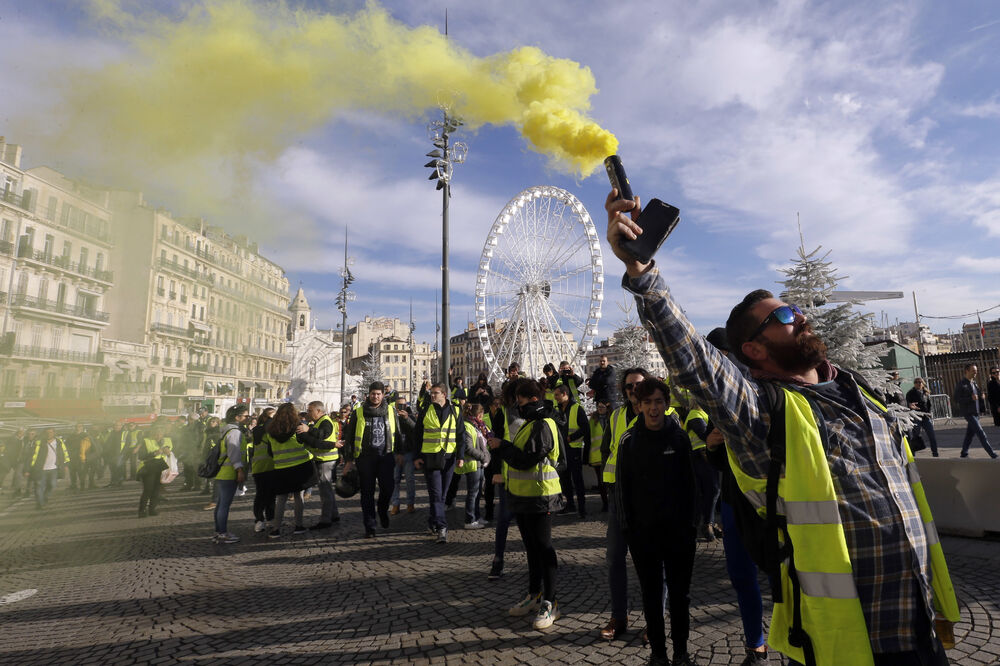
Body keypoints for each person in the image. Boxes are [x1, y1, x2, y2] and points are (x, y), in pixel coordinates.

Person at [606, 188, 960, 665]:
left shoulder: (861, 395)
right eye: (785, 315)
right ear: (753, 349)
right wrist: (641, 270)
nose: (802, 316)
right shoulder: (763, 411)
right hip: (845, 642)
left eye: (794, 309)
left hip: (919, 622)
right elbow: (695, 361)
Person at [616, 379, 699, 666]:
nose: (653, 408)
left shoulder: (679, 438)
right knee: (651, 596)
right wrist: (630, 531)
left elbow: (691, 485)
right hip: (644, 535)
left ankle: (681, 652)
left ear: (666, 404)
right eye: (647, 402)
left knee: (680, 596)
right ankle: (658, 654)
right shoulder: (628, 441)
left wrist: (692, 526)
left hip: (679, 534)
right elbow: (622, 491)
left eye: (658, 402)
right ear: (638, 406)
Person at [702, 327, 770, 665]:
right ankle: (755, 644)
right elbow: (718, 459)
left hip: (768, 500)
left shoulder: (762, 389)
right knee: (742, 576)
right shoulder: (717, 398)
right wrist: (712, 446)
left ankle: (778, 642)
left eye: (722, 356)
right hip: (734, 497)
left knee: (775, 575)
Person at [488, 378, 564, 630]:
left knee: (543, 548)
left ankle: (551, 602)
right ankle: (534, 594)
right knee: (531, 547)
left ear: (532, 399)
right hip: (522, 494)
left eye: (520, 400)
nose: (517, 405)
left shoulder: (543, 424)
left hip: (541, 495)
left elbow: (526, 460)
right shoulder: (530, 422)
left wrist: (502, 446)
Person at [599, 367, 651, 641]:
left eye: (639, 385)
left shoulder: (661, 414)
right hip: (619, 497)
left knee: (651, 563)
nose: (634, 390)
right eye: (629, 386)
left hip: (649, 500)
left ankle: (654, 621)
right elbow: (608, 449)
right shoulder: (617, 416)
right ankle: (619, 616)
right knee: (614, 560)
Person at [342, 381, 403, 538]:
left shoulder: (390, 410)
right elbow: (349, 437)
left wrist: (400, 452)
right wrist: (349, 460)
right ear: (368, 394)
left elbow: (397, 432)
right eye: (373, 394)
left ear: (383, 395)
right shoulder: (359, 412)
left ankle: (382, 510)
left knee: (388, 488)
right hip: (365, 458)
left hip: (386, 456)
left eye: (378, 394)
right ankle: (370, 526)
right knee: (367, 493)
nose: (375, 396)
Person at [413, 382, 467, 544]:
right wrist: (417, 456)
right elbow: (417, 435)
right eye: (431, 393)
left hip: (449, 458)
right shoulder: (425, 411)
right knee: (436, 494)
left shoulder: (455, 410)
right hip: (430, 457)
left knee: (442, 495)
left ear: (444, 394)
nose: (432, 395)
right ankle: (442, 527)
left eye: (436, 393)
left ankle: (433, 521)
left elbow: (461, 436)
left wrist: (461, 456)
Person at [266, 403, 313, 538]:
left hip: (280, 468)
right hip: (299, 466)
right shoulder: (297, 428)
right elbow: (308, 442)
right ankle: (298, 525)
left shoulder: (271, 430)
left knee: (281, 499)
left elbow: (270, 451)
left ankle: (276, 528)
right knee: (299, 497)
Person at [296, 400, 342, 530]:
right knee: (327, 489)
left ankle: (325, 519)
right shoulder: (320, 421)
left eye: (310, 410)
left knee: (325, 491)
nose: (309, 413)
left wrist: (308, 429)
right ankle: (334, 514)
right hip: (323, 458)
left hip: (326, 459)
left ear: (318, 411)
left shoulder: (325, 422)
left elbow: (322, 435)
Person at [684, 403, 722, 542]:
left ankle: (707, 523)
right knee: (712, 490)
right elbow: (705, 435)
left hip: (706, 456)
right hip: (701, 456)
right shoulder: (695, 415)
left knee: (708, 492)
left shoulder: (704, 414)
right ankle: (707, 524)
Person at [212, 405, 249, 544]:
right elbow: (234, 453)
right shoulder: (234, 432)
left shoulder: (227, 430)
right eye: (245, 416)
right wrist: (239, 470)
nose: (247, 418)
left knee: (221, 503)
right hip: (229, 473)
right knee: (224, 505)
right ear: (237, 417)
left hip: (223, 472)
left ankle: (218, 531)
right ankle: (222, 533)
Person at [553, 383, 590, 518]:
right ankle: (570, 505)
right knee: (565, 479)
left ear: (565, 394)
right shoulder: (557, 410)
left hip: (573, 449)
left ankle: (582, 508)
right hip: (562, 450)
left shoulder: (576, 408)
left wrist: (571, 438)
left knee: (577, 479)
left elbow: (585, 428)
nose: (555, 397)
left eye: (557, 395)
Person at [455, 402, 490, 529]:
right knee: (473, 493)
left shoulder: (476, 425)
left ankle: (476, 516)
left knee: (477, 492)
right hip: (472, 463)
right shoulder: (467, 425)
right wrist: (483, 456)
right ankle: (469, 519)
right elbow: (468, 448)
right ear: (479, 414)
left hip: (478, 463)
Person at [953, 363, 998, 459]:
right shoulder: (961, 384)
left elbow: (977, 397)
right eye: (973, 371)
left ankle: (964, 453)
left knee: (969, 435)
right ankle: (992, 454)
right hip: (969, 413)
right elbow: (956, 399)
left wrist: (981, 396)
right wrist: (970, 398)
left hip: (976, 413)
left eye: (976, 371)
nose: (975, 373)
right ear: (967, 371)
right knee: (981, 433)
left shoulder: (974, 383)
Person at [26, 428, 70, 509]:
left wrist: (66, 464)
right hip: (41, 469)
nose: (49, 434)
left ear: (54, 433)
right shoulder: (39, 443)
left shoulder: (59, 442)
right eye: (47, 433)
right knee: (39, 486)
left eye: (51, 432)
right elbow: (32, 456)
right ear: (44, 434)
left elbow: (65, 453)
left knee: (52, 485)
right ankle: (40, 504)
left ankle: (44, 497)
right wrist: (28, 469)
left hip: (54, 468)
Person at [482, 396, 508, 523]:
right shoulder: (485, 417)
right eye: (495, 404)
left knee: (503, 483)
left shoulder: (504, 416)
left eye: (499, 404)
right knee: (489, 485)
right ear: (490, 405)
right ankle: (489, 511)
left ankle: (506, 511)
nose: (497, 406)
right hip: (488, 453)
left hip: (501, 452)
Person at [250, 408, 277, 533]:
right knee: (266, 496)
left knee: (264, 495)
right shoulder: (265, 430)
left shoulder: (257, 429)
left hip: (259, 467)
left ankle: (263, 520)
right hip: (269, 467)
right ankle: (264, 520)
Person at [136, 425, 171, 517]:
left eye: (160, 434)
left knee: (156, 490)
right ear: (152, 434)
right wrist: (154, 453)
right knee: (148, 490)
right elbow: (141, 456)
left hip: (160, 467)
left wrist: (168, 451)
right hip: (149, 467)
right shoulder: (146, 441)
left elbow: (171, 451)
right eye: (156, 434)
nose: (158, 436)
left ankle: (152, 509)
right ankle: (142, 510)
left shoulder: (166, 441)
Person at [390, 396, 417, 515]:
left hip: (408, 453)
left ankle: (410, 503)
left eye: (403, 405)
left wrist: (406, 418)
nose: (401, 407)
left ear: (406, 406)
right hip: (395, 453)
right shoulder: (392, 417)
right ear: (395, 406)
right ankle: (395, 504)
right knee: (394, 480)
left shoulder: (410, 417)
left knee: (410, 480)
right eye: (398, 405)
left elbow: (416, 430)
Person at [906, 378, 939, 457]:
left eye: (920, 382)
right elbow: (907, 403)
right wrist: (910, 406)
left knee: (932, 436)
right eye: (916, 382)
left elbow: (929, 404)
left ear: (923, 383)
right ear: (914, 384)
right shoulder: (910, 393)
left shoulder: (925, 393)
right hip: (916, 417)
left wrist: (929, 413)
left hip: (925, 417)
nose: (918, 383)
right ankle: (912, 454)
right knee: (915, 436)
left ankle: (935, 453)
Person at [588, 400, 611, 513]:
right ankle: (605, 504)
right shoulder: (593, 419)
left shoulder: (612, 418)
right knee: (601, 482)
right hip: (597, 456)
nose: (600, 408)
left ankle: (612, 502)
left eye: (602, 406)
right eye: (598, 406)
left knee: (611, 481)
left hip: (610, 454)